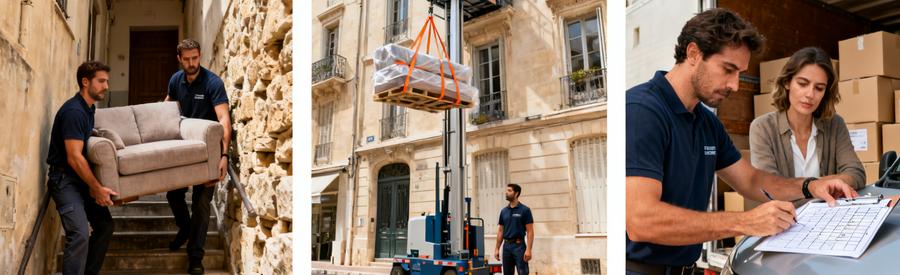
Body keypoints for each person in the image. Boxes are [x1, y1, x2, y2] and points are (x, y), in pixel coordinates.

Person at [625, 8, 858, 275]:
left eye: (740, 73)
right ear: (693, 54)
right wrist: (746, 221)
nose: (735, 85)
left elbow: (752, 181)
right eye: (728, 69)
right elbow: (641, 220)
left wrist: (811, 186)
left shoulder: (706, 122)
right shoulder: (641, 111)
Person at [749, 47, 865, 190]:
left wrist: (816, 186)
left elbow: (856, 174)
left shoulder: (835, 124)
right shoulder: (762, 127)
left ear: (825, 92)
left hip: (829, 211)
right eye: (803, 84)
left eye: (819, 88)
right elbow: (768, 187)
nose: (810, 94)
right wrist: (816, 187)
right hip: (783, 212)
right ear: (787, 82)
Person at [164, 39, 232, 275]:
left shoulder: (213, 83)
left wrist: (224, 155)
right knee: (173, 194)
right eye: (187, 59)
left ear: (199, 56)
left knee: (202, 205)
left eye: (195, 58)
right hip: (183, 149)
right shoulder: (175, 80)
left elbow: (223, 120)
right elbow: (168, 107)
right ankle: (185, 228)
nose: (192, 63)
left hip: (209, 151)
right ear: (180, 59)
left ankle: (195, 258)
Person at [46, 61, 118, 275]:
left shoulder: (89, 109)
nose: (106, 86)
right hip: (64, 181)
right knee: (78, 234)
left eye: (107, 81)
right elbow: (74, 157)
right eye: (101, 81)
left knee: (105, 226)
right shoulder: (74, 112)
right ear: (85, 82)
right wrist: (96, 188)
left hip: (79, 180)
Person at [493, 183, 534, 275]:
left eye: (509, 191)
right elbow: (500, 231)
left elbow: (530, 231)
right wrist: (497, 248)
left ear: (516, 193)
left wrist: (528, 249)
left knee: (523, 273)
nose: (506, 193)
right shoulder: (503, 211)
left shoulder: (525, 210)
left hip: (519, 247)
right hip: (506, 247)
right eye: (506, 190)